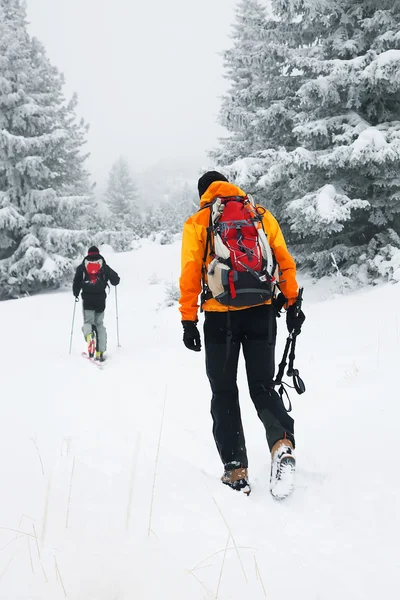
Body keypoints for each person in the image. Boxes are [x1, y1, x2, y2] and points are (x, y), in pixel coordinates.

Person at [179, 171, 305, 497]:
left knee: (223, 392)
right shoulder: (259, 215)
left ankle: (236, 471)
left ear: (203, 193)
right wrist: (291, 302)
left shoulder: (199, 221)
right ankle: (281, 445)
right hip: (262, 311)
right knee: (262, 386)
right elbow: (282, 258)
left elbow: (191, 271)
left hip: (220, 320)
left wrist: (188, 320)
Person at [73, 246, 120, 362]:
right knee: (99, 324)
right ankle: (100, 352)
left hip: (87, 299)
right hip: (100, 299)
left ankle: (89, 337)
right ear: (98, 253)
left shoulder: (83, 266)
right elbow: (116, 280)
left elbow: (76, 281)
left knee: (88, 322)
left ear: (88, 254)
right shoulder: (103, 265)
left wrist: (76, 294)